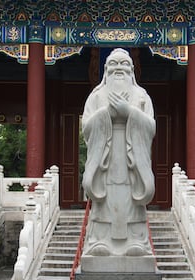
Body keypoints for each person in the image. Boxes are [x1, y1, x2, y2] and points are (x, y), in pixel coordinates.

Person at [82, 48, 156, 256]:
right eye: (113, 64)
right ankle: (99, 241)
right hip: (105, 156)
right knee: (104, 196)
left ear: (132, 70)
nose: (119, 68)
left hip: (132, 157)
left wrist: (129, 112)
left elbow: (150, 127)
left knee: (131, 195)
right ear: (105, 70)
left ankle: (137, 241)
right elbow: (87, 127)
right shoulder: (96, 96)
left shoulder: (141, 96)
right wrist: (106, 114)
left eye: (124, 64)